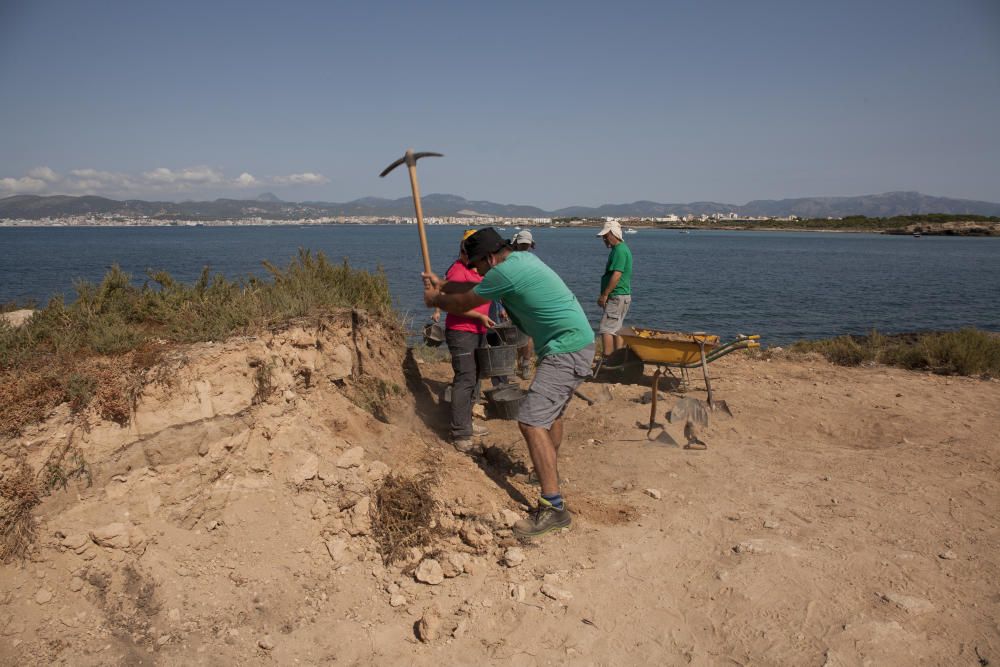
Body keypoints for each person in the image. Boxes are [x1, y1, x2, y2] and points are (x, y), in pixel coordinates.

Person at [422, 227, 594, 539]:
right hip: (575, 344)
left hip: (565, 350)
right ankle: (546, 474)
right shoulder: (519, 262)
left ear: (490, 257)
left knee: (529, 421)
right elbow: (472, 288)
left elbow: (464, 302)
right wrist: (443, 284)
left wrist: (436, 298)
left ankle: (553, 507)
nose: (478, 271)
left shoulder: (505, 272)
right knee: (551, 415)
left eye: (479, 265)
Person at [434, 230, 496, 453]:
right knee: (465, 378)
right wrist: (479, 315)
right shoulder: (458, 272)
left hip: (479, 330)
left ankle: (466, 422)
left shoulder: (477, 269)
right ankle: (460, 432)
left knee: (476, 376)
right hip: (461, 331)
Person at [596, 219, 633, 356]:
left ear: (613, 233)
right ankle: (619, 360)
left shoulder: (619, 250)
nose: (604, 240)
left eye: (606, 236)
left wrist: (605, 294)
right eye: (603, 237)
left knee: (605, 329)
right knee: (617, 329)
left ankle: (608, 360)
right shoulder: (621, 249)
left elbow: (617, 275)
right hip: (622, 296)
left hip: (617, 296)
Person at [511, 229, 536, 378]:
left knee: (519, 336)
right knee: (522, 336)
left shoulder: (512, 260)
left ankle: (522, 365)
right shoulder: (533, 261)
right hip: (524, 302)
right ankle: (521, 365)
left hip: (521, 302)